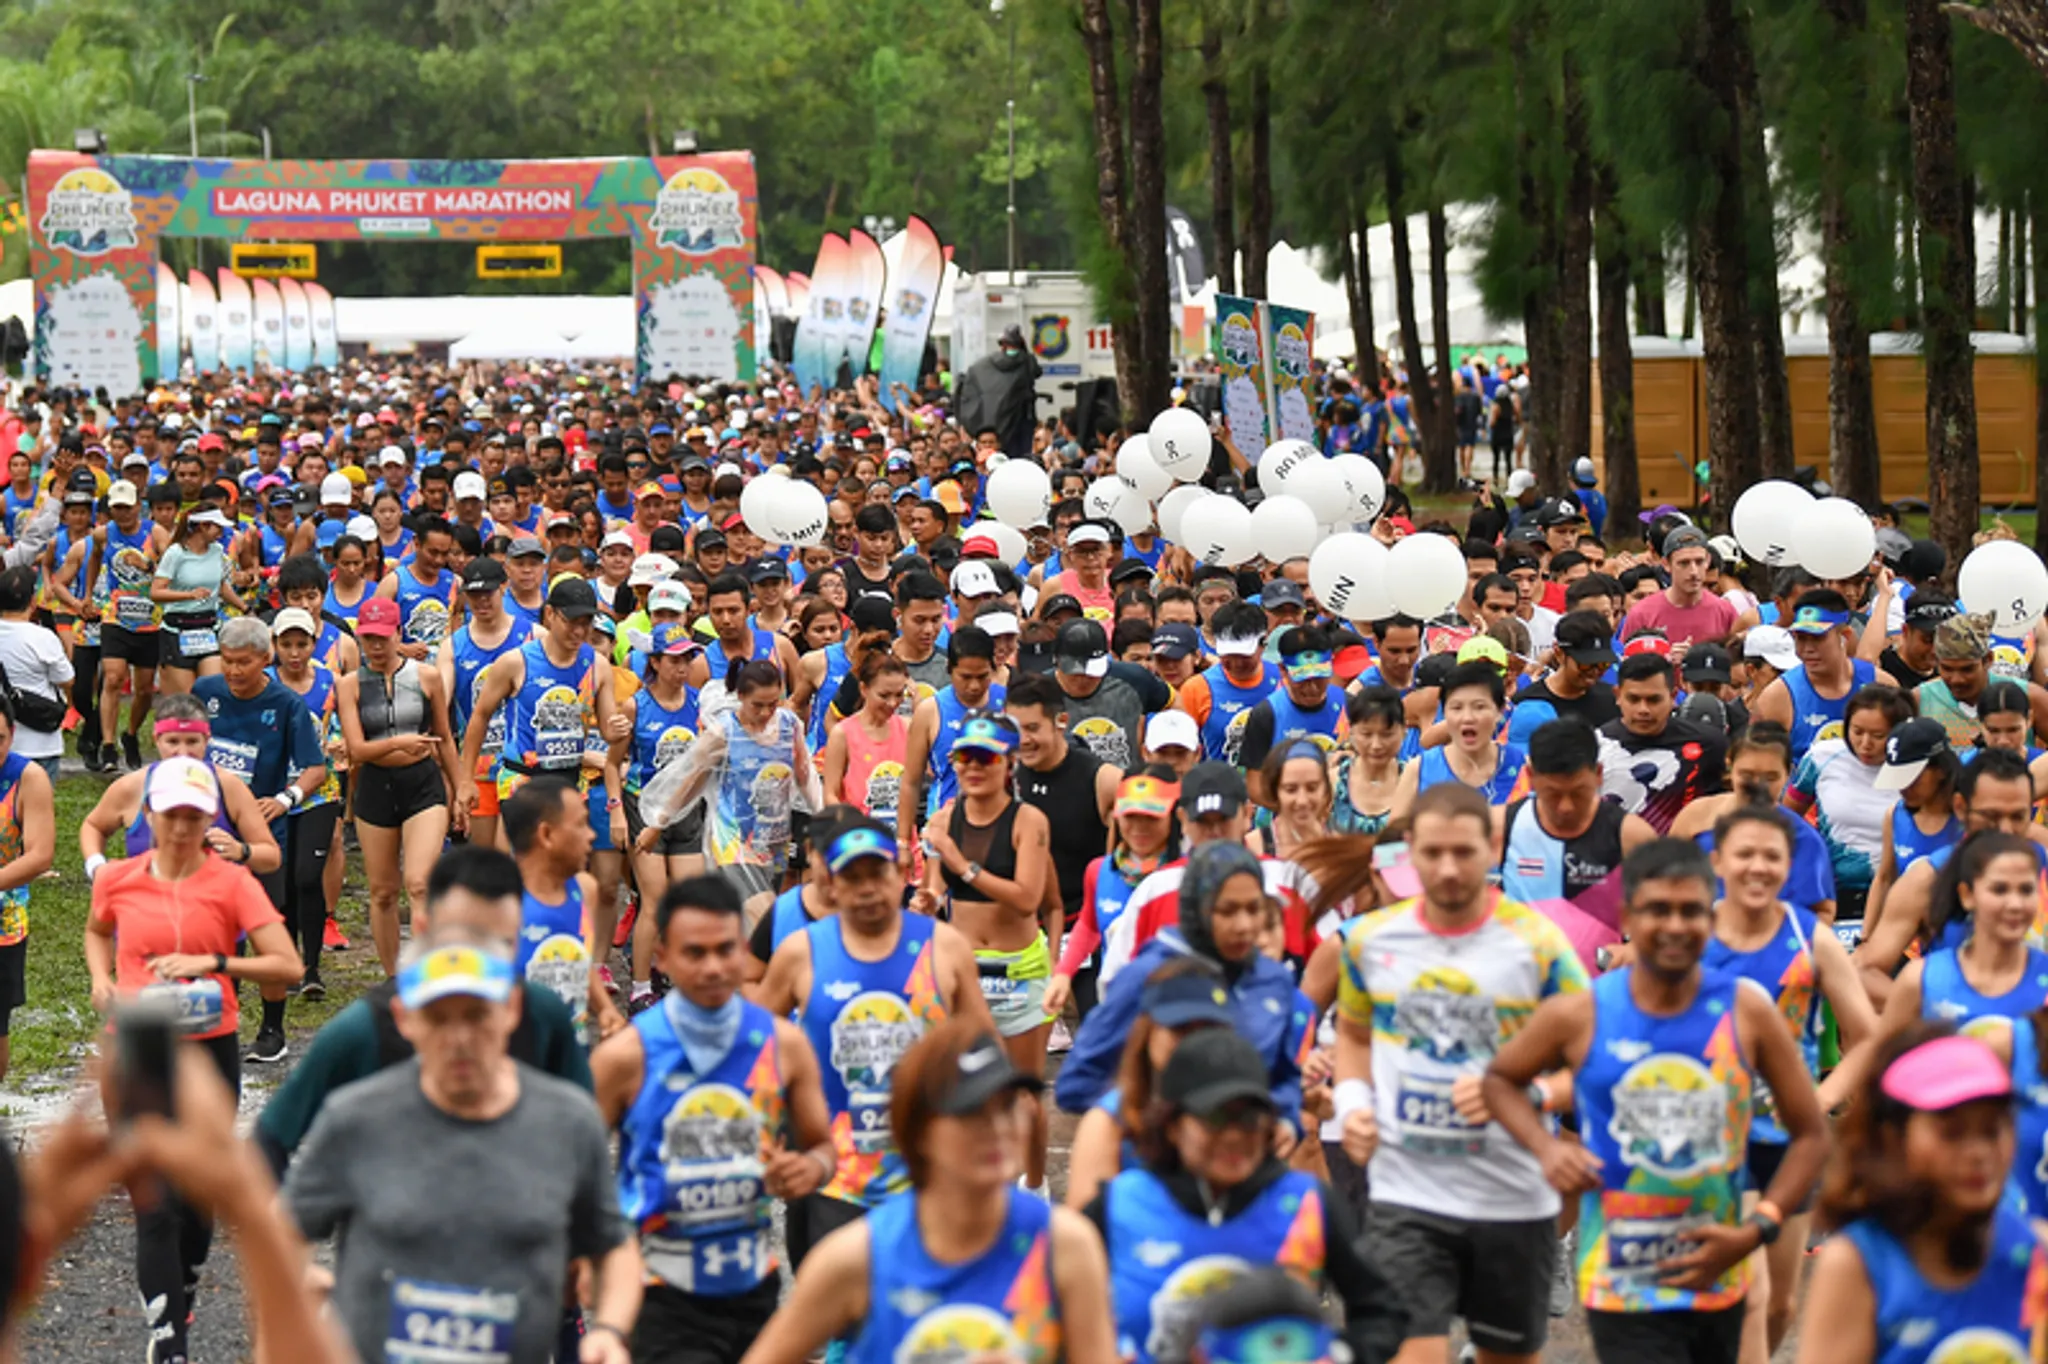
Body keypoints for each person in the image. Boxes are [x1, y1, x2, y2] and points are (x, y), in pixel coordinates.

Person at [1482, 837, 1828, 1364]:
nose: (1674, 926)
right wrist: (1547, 1151)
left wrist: (1759, 1228)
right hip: (1622, 1280)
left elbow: (1811, 1133)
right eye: (1657, 910)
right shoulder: (1580, 1014)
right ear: (1626, 915)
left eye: (1690, 910)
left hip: (1722, 1272)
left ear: (1709, 917)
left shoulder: (1746, 1011)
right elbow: (1499, 1081)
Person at [1307, 780, 1587, 1364]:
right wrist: (1355, 1104)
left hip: (1513, 1198)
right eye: (1432, 854)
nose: (1449, 869)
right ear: (1409, 851)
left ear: (1491, 850)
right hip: (1407, 1194)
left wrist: (1531, 1092)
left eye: (1464, 853)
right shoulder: (1373, 943)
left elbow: (1596, 1065)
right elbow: (1355, 1038)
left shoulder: (1538, 946)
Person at [282, 922, 643, 1364]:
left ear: (511, 1009)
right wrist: (289, 1317)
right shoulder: (355, 1118)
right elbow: (284, 1230)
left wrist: (609, 1329)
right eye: (437, 1017)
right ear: (404, 1018)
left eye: (476, 1014)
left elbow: (612, 1241)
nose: (459, 1039)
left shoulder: (567, 1121)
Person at [85, 756, 305, 1364]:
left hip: (211, 1048)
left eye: (193, 816)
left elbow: (287, 965)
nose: (182, 829)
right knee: (154, 1197)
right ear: (149, 815)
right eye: (171, 815)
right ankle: (168, 1345)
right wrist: (103, 979)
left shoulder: (231, 884)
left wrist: (215, 966)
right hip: (142, 1048)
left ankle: (181, 1290)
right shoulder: (119, 878)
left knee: (196, 1200)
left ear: (210, 817)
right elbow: (98, 929)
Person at [740, 1020, 1117, 1364]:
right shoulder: (857, 1259)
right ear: (918, 1132)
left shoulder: (1066, 1246)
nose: (997, 1127)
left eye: (1006, 1107)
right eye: (971, 1113)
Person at [593, 875, 837, 1364]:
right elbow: (573, 1169)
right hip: (660, 1292)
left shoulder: (782, 1046)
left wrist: (808, 1170)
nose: (713, 967)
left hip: (754, 1288)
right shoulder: (626, 1057)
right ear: (661, 955)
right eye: (695, 952)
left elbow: (823, 1150)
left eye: (727, 950)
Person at [255, 844, 591, 1176]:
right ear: (422, 928)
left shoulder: (543, 1013)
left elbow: (587, 1137)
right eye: (464, 940)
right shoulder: (367, 1028)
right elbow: (270, 1139)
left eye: (499, 943)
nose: (478, 961)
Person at [751, 819, 992, 1272]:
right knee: (842, 1315)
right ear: (830, 883)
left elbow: (985, 1051)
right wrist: (771, 1141)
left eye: (877, 874)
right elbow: (757, 1048)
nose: (867, 889)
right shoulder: (802, 952)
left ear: (902, 872)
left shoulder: (944, 948)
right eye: (853, 877)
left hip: (929, 1170)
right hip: (835, 1174)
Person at [1083, 1028, 1407, 1364]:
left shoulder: (1306, 1203)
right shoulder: (1120, 1204)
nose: (1235, 1135)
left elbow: (1383, 1310)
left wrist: (1339, 1355)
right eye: (1216, 1117)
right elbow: (1049, 1309)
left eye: (1250, 1117)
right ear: (1172, 1125)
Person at [1701, 805, 1880, 1360]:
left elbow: (1869, 1037)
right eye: (1745, 855)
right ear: (1718, 861)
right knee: (1745, 1292)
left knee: (1779, 1304)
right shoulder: (1691, 931)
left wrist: (1822, 1097)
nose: (1758, 868)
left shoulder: (1812, 940)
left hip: (1788, 1143)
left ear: (1790, 866)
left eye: (1772, 857)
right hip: (1710, 1140)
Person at [1796, 1026, 2042, 1364]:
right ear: (1893, 1138)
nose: (1978, 1153)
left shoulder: (2034, 1252)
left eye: (1992, 1130)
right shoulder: (1859, 1264)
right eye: (1951, 1132)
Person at [1058, 839, 1309, 1144]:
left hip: (1249, 1167)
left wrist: (1285, 1118)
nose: (1244, 925)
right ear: (1195, 911)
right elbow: (1076, 1083)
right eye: (1227, 911)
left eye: (1254, 909)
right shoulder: (1147, 976)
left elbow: (1285, 1078)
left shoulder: (1274, 980)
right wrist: (1160, 1122)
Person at [915, 712, 1056, 1191]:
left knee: (1024, 1092)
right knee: (959, 1084)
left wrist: (963, 866)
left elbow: (1028, 898)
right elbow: (933, 890)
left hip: (1019, 970)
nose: (974, 768)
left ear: (1008, 764)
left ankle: (1035, 1186)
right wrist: (927, 898)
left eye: (986, 759)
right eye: (965, 758)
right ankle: (971, 1181)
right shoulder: (941, 819)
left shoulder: (1029, 821)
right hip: (965, 969)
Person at [195, 616, 328, 1065]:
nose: (234, 672)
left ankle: (273, 1029)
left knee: (265, 936)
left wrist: (285, 798)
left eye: (244, 663)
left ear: (264, 659)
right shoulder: (205, 692)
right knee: (215, 938)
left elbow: (315, 767)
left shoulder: (287, 705)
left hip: (263, 840)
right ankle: (219, 1026)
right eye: (228, 662)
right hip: (208, 836)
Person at [340, 595, 465, 977]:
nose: (375, 647)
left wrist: (460, 790)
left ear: (398, 635)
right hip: (376, 784)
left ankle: (428, 970)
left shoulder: (426, 676)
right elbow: (357, 750)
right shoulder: (350, 685)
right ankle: (394, 978)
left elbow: (444, 737)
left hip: (422, 784)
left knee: (420, 882)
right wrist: (397, 743)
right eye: (368, 639)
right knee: (381, 891)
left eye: (382, 638)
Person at [1854, 751, 2043, 1004]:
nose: (2005, 830)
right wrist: (1935, 1016)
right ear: (1961, 808)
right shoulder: (1927, 879)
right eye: (1991, 817)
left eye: (2017, 817)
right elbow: (1866, 971)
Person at [650, 658, 817, 920]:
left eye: (772, 704)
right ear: (740, 697)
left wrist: (822, 815)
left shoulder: (789, 725)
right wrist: (659, 822)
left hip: (774, 838)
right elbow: (693, 780)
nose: (765, 713)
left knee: (751, 926)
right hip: (733, 840)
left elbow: (805, 777)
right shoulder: (724, 732)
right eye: (757, 706)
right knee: (765, 915)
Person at [1064, 959, 1229, 1210]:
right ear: (1148, 1032)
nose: (1192, 1044)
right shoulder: (1110, 1122)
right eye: (1179, 1029)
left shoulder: (1247, 1111)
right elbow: (1084, 1233)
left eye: (1207, 1030)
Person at [1871, 830, 2048, 1034]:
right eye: (1999, 890)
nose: (2015, 904)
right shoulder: (1920, 980)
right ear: (1967, 895)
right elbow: (1878, 1058)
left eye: (2026, 890)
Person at [1500, 719, 1657, 945]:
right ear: (1530, 776)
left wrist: (1633, 950)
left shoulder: (1632, 835)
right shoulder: (1500, 826)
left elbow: (1659, 916)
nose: (1566, 807)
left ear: (1599, 774)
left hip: (1600, 974)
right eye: (1552, 794)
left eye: (1578, 793)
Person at [1669, 722, 1840, 924]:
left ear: (1788, 774)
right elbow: (1666, 882)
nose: (1758, 786)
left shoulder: (1802, 838)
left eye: (1770, 777)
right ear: (1730, 766)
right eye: (1747, 775)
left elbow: (1823, 910)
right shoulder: (1696, 817)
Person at [503, 776, 624, 1045]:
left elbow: (579, 961)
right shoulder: (498, 904)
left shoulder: (585, 889)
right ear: (546, 835)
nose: (591, 835)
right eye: (581, 824)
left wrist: (605, 1009)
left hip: (572, 1055)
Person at [621, 622, 704, 1009]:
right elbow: (612, 762)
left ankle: (678, 975)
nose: (683, 666)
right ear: (654, 661)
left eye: (688, 657)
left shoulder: (699, 703)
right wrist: (618, 813)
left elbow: (706, 760)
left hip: (687, 809)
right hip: (643, 806)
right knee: (653, 901)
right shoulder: (636, 704)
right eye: (674, 659)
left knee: (688, 900)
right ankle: (639, 987)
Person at [1783, 684, 1913, 925]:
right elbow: (1785, 818)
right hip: (1833, 896)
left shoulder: (1917, 768)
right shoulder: (1821, 757)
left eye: (1878, 736)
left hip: (1899, 898)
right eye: (1857, 731)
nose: (1865, 744)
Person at [443, 553, 534, 853]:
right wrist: (457, 778)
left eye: (488, 594)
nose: (482, 602)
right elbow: (440, 705)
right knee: (486, 862)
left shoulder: (532, 636)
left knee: (513, 856)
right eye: (474, 596)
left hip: (522, 765)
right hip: (478, 766)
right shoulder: (453, 646)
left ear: (504, 588)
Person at [1751, 589, 1892, 765]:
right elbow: (1758, 767)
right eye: (1800, 638)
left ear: (1845, 635)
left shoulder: (1881, 685)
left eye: (1817, 638)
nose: (1807, 649)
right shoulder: (1777, 698)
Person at [896, 626, 1006, 850]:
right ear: (949, 668)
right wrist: (903, 843)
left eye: (982, 676)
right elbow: (911, 782)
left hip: (999, 828)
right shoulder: (930, 711)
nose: (974, 686)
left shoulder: (1009, 703)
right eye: (965, 677)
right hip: (944, 829)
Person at [90, 474, 170, 771]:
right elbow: (93, 559)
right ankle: (108, 746)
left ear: (139, 506)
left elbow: (172, 567)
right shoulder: (103, 533)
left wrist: (147, 565)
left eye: (127, 507)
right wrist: (89, 594)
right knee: (112, 677)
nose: (122, 513)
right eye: (117, 508)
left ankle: (131, 734)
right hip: (115, 616)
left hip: (149, 620)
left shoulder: (156, 533)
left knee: (146, 689)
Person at [1598, 651, 1728, 834]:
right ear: (1618, 695)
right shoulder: (1596, 746)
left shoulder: (1709, 745)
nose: (1643, 710)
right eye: (1634, 699)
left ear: (1673, 696)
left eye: (1653, 700)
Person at [1393, 660, 1528, 816]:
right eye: (1456, 708)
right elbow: (1394, 836)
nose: (1467, 718)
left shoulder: (1523, 767)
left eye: (1479, 707)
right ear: (1444, 713)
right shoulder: (1419, 769)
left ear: (1500, 711)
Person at [151, 505, 242, 693]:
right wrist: (189, 595)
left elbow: (221, 585)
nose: (221, 532)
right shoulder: (176, 553)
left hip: (208, 628)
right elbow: (156, 592)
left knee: (213, 691)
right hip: (178, 629)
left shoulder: (217, 551)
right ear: (203, 526)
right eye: (218, 527)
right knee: (189, 697)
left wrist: (245, 608)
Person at [822, 652, 911, 827]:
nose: (893, 703)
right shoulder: (843, 734)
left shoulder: (908, 728)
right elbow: (830, 794)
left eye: (899, 694)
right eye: (884, 696)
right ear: (864, 689)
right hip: (860, 841)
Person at [1618, 526, 1737, 650]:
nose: (1693, 572)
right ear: (1666, 564)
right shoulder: (1641, 613)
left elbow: (1738, 663)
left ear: (1707, 560)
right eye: (1684, 563)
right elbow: (1625, 663)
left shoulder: (1725, 611)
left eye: (1699, 562)